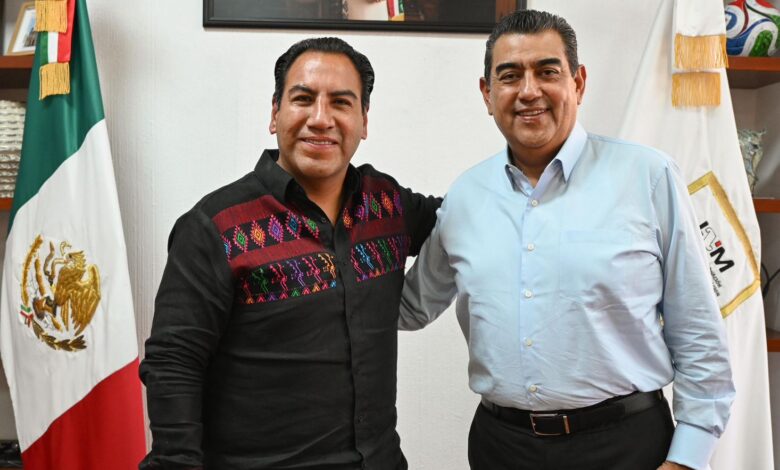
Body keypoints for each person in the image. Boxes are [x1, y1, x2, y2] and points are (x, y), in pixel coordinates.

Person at [399, 9, 734, 470]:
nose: (528, 91)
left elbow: (698, 332)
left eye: (547, 72)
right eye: (510, 76)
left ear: (578, 83)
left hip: (626, 448)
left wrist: (686, 460)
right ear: (487, 94)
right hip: (502, 448)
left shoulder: (649, 177)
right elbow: (409, 307)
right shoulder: (465, 197)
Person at [140, 37, 439, 469]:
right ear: (274, 113)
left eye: (341, 102)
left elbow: (468, 220)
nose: (321, 119)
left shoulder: (387, 205)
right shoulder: (215, 227)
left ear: (364, 120)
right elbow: (174, 363)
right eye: (303, 99)